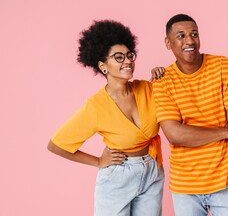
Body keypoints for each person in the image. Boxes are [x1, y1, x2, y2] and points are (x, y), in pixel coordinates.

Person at [47, 20, 165, 216]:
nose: (127, 61)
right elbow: (56, 145)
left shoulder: (147, 88)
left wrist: (161, 76)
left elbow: (172, 101)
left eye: (129, 55)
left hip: (153, 168)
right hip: (118, 176)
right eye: (119, 57)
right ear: (103, 66)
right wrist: (98, 161)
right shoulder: (96, 106)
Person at [152, 14, 228, 216]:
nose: (190, 41)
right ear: (168, 43)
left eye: (194, 34)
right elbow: (175, 134)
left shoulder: (222, 67)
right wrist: (227, 132)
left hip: (227, 180)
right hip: (185, 185)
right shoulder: (162, 80)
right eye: (181, 36)